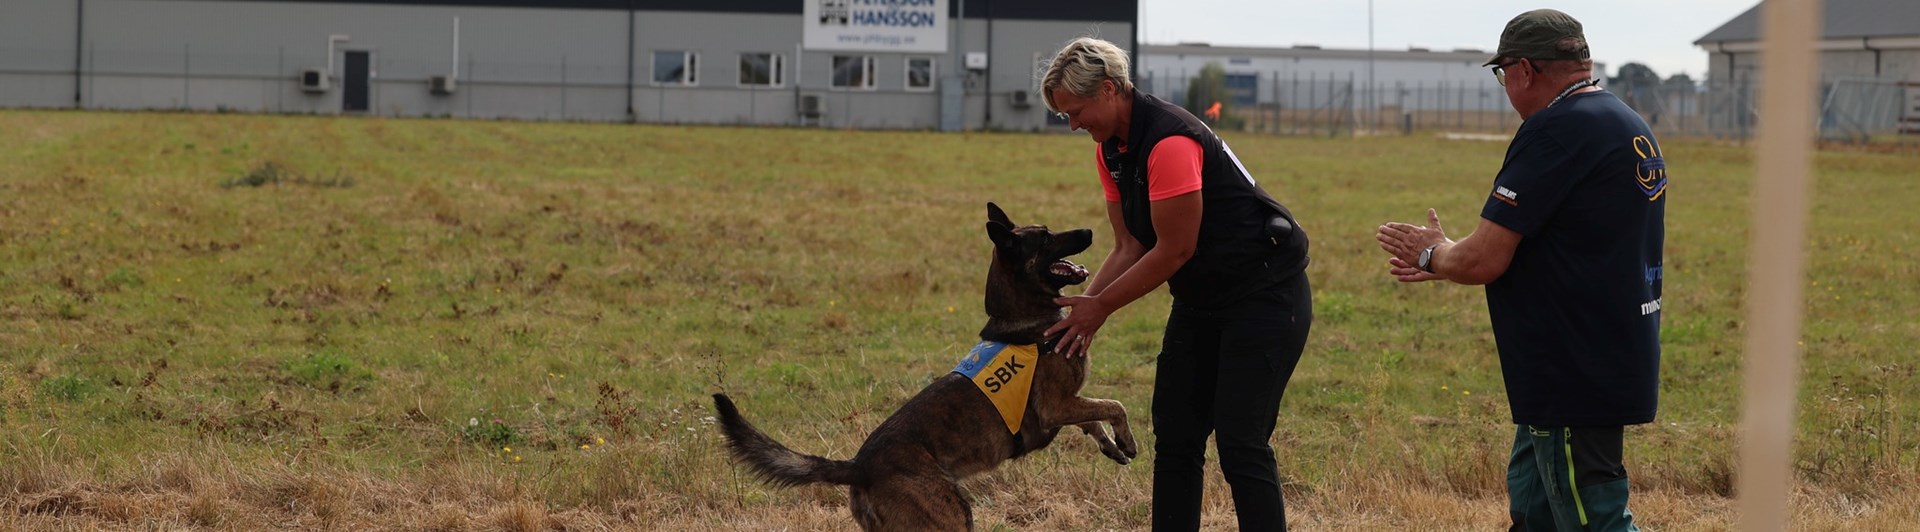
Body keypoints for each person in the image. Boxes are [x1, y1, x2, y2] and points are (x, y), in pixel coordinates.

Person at [1374, 9, 1664, 532]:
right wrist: (1449, 256)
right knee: (1534, 513)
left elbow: (1484, 258)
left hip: (1570, 365)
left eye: (1502, 72)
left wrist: (1432, 254)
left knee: (1592, 517)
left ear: (1524, 70)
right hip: (1604, 350)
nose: (1505, 86)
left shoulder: (1556, 130)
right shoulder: (1624, 121)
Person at [1038, 37, 1313, 531]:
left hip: (1265, 295)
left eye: (1076, 112)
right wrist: (1081, 312)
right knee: (1176, 436)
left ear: (1108, 90)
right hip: (1201, 300)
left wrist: (1099, 308)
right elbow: (1128, 245)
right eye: (1065, 116)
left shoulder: (1170, 142)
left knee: (1240, 441)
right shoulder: (1111, 151)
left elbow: (1174, 249)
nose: (1074, 125)